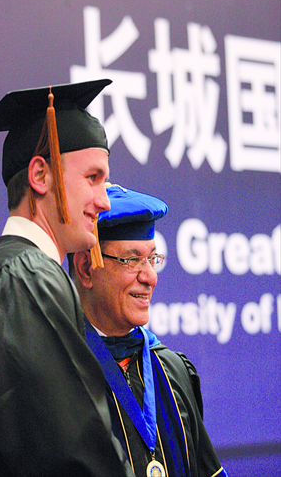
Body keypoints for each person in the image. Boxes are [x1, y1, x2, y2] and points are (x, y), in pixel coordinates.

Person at [0, 82, 134, 477]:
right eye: (93, 178)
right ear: (40, 175)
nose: (105, 200)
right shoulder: (28, 280)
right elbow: (73, 455)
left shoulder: (6, 270)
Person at [70, 183, 228, 477]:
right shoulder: (59, 374)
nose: (150, 277)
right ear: (86, 269)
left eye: (152, 259)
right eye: (132, 260)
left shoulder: (172, 370)